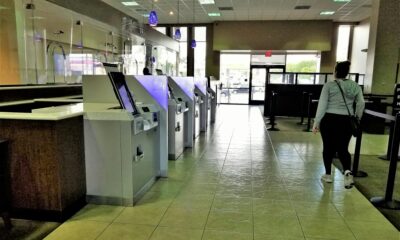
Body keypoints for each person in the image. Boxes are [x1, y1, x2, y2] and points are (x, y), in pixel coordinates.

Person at [312, 61, 365, 189]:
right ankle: (347, 172)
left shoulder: (329, 85)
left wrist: (316, 122)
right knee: (343, 148)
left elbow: (322, 105)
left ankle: (328, 175)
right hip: (346, 121)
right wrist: (357, 117)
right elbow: (361, 103)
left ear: (335, 72)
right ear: (347, 72)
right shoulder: (355, 86)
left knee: (328, 147)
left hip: (329, 119)